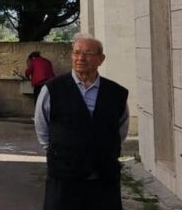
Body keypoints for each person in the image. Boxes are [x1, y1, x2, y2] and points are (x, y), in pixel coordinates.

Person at [34, 34, 129, 210]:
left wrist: (103, 148)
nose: (80, 58)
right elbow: (42, 125)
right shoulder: (53, 89)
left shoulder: (116, 93)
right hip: (65, 175)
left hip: (103, 176)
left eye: (87, 53)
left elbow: (120, 128)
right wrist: (58, 151)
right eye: (76, 53)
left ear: (101, 59)